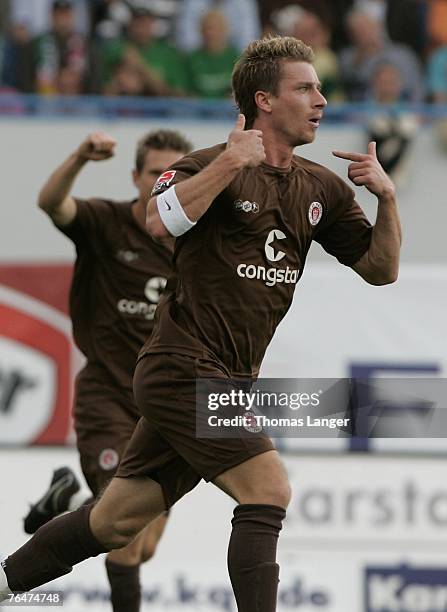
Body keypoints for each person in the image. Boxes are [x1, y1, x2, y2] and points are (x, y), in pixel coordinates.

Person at [0, 35, 401, 611]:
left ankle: (5, 581)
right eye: (305, 88)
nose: (322, 99)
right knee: (268, 488)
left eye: (319, 87)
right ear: (264, 100)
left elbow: (380, 269)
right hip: (182, 367)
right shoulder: (211, 164)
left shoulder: (321, 187)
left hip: (227, 381)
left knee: (115, 524)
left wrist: (387, 201)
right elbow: (161, 221)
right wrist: (232, 161)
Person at [19, 128, 193, 612]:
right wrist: (78, 157)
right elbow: (52, 203)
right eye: (156, 173)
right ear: (137, 176)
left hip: (164, 411)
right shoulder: (105, 223)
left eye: (175, 174)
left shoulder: (194, 242)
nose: (165, 183)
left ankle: (66, 505)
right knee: (125, 539)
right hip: (107, 401)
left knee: (142, 543)